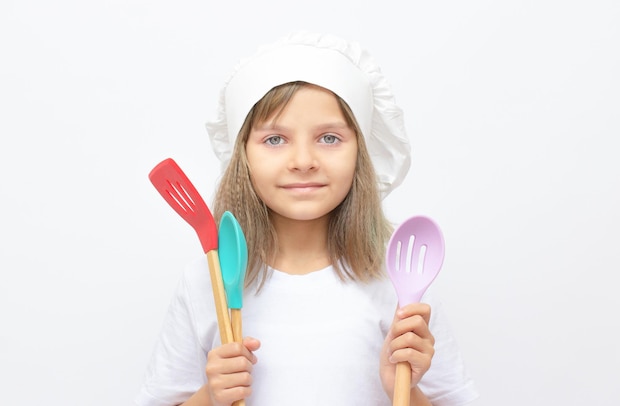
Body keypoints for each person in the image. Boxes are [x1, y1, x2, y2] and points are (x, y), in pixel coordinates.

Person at [136, 32, 479, 406]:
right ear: (242, 155)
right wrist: (210, 396)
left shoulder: (399, 282)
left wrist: (403, 388)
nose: (303, 160)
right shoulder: (208, 280)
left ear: (361, 153)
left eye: (329, 138)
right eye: (275, 139)